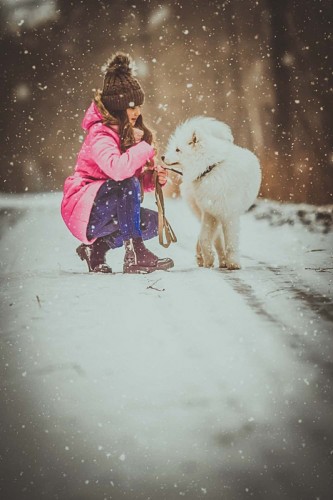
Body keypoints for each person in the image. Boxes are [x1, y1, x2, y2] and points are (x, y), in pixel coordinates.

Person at [61, 52, 174, 274]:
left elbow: (129, 183)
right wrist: (143, 149)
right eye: (131, 106)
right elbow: (118, 170)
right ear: (117, 107)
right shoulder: (100, 133)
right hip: (85, 210)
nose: (137, 112)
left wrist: (151, 179)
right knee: (127, 183)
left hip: (105, 203)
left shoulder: (126, 133)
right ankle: (135, 254)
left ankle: (96, 250)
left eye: (138, 106)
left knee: (153, 222)